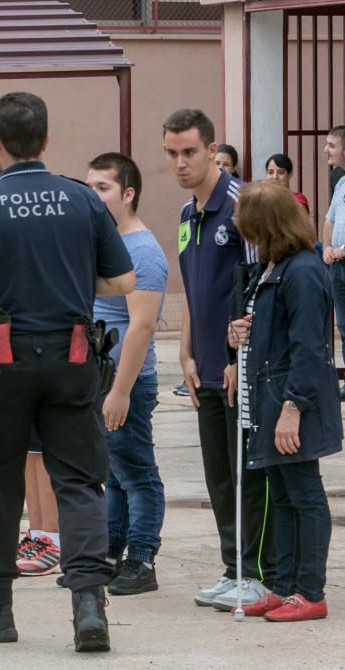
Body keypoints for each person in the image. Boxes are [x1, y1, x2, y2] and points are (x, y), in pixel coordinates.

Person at [0, 92, 134, 651]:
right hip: (73, 356)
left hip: (2, 362)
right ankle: (88, 608)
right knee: (78, 481)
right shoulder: (82, 199)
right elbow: (121, 283)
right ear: (46, 141)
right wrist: (70, 282)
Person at [164, 108, 273, 610]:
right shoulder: (188, 214)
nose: (180, 162)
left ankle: (257, 572)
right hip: (203, 366)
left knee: (246, 473)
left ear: (212, 151)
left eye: (189, 152)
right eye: (172, 153)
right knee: (217, 475)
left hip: (239, 369)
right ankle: (232, 569)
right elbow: (194, 289)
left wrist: (237, 358)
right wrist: (185, 354)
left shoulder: (242, 204)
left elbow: (255, 288)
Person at [228, 181, 340, 622]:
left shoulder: (303, 271)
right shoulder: (270, 268)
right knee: (284, 496)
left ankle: (309, 591)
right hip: (270, 399)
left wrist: (293, 407)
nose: (249, 238)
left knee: (304, 493)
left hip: (293, 402)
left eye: (252, 229)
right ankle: (284, 586)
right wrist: (239, 332)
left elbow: (310, 347)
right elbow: (269, 328)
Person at [0, 141, 62, 575]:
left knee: (46, 453)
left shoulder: (14, 212)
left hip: (43, 347)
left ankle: (52, 535)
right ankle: (37, 529)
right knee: (26, 450)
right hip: (9, 349)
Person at [88, 153, 168, 595]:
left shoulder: (143, 252)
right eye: (91, 187)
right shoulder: (108, 244)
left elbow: (140, 327)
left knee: (138, 472)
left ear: (129, 193)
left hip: (128, 382)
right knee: (115, 473)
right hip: (102, 381)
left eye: (104, 188)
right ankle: (110, 554)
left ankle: (141, 558)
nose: (95, 196)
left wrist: (120, 391)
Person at [319, 126, 345, 398]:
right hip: (336, 266)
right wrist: (327, 247)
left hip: (341, 258)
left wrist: (340, 251)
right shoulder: (340, 182)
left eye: (331, 145)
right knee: (344, 326)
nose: (326, 150)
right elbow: (329, 219)